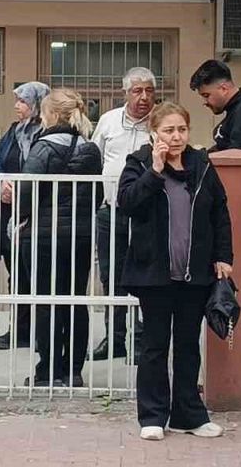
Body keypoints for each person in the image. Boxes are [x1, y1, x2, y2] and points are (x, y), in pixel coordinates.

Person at [118, 102, 233, 441]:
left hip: (194, 272)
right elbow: (128, 202)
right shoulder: (139, 162)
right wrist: (154, 171)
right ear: (154, 133)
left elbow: (220, 212)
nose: (176, 136)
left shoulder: (201, 164)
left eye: (181, 129)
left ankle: (188, 416)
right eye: (168, 130)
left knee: (188, 345)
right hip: (154, 273)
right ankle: (152, 416)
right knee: (154, 345)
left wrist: (223, 256)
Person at [15, 88, 103, 388]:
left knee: (46, 301)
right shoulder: (90, 149)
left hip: (43, 235)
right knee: (75, 300)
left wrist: (18, 213)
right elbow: (96, 195)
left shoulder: (43, 147)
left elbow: (26, 192)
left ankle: (48, 370)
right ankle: (73, 371)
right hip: (80, 235)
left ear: (51, 114)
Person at [89, 67, 154, 363]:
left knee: (144, 277)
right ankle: (114, 339)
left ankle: (140, 340)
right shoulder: (109, 120)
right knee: (110, 277)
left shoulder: (159, 121)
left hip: (145, 215)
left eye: (149, 91)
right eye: (137, 91)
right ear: (125, 93)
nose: (144, 97)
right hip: (110, 212)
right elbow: (94, 158)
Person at [0, 81, 50, 350]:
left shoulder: (47, 132)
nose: (17, 106)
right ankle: (20, 329)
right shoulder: (14, 131)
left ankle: (42, 332)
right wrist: (3, 181)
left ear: (37, 104)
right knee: (16, 271)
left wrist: (22, 189)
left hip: (36, 212)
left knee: (38, 272)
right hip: (9, 211)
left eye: (23, 101)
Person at [188, 59, 241, 154]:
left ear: (223, 89)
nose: (205, 102)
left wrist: (203, 156)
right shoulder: (238, 110)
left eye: (207, 95)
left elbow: (238, 157)